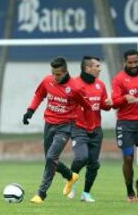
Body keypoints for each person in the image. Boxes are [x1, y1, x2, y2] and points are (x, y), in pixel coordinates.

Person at [23, 56, 92, 204]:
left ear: (66, 71)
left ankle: (41, 193)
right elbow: (39, 95)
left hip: (65, 127)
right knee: (50, 158)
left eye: (58, 74)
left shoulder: (76, 88)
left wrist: (86, 126)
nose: (55, 77)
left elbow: (87, 106)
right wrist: (30, 111)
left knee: (50, 158)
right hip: (49, 124)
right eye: (53, 73)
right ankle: (70, 176)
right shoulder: (48, 81)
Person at [67, 56, 112, 202]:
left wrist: (109, 103)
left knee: (94, 164)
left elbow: (104, 106)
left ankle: (86, 193)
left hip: (96, 130)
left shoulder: (100, 85)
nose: (100, 69)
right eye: (97, 66)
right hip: (78, 128)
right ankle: (71, 182)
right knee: (81, 157)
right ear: (88, 68)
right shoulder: (73, 84)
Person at [111, 49, 138, 202]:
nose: (133, 65)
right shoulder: (119, 79)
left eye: (136, 62)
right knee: (128, 158)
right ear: (125, 62)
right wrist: (124, 98)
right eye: (130, 62)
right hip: (125, 123)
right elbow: (114, 103)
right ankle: (129, 190)